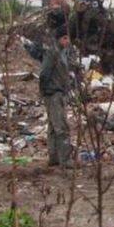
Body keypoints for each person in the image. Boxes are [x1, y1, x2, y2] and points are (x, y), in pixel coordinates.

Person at [36, 24, 75, 168]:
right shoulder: (52, 54)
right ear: (59, 39)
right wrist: (44, 91)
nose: (67, 41)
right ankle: (65, 160)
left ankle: (53, 157)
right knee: (61, 127)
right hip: (53, 94)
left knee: (53, 126)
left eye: (68, 38)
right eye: (65, 38)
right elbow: (44, 74)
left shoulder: (63, 53)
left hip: (57, 93)